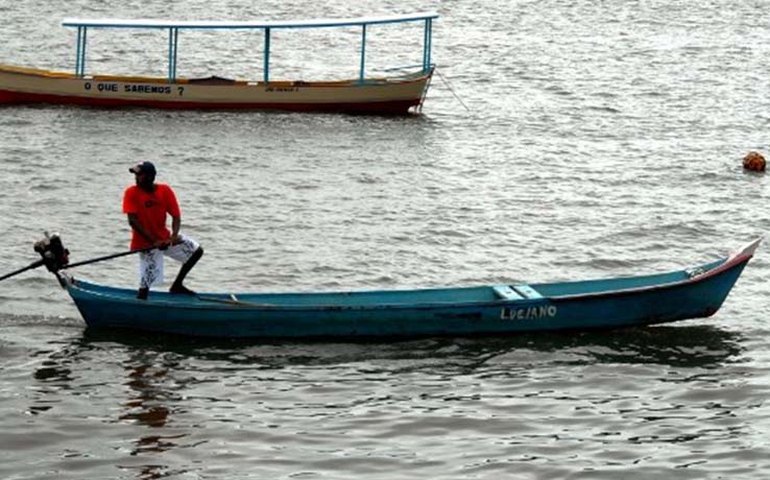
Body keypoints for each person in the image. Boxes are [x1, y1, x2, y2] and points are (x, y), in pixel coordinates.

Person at [122, 161, 204, 300]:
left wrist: (174, 236)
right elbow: (133, 221)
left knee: (196, 251)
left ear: (150, 177)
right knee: (147, 282)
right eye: (136, 175)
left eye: (139, 175)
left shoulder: (164, 190)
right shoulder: (131, 193)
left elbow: (176, 216)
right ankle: (140, 305)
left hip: (165, 239)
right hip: (145, 243)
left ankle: (177, 285)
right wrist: (154, 241)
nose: (136, 178)